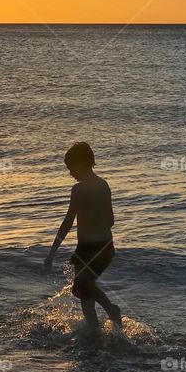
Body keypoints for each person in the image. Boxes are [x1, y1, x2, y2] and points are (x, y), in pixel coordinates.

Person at [44, 142, 122, 331]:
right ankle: (93, 331)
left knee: (80, 287)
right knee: (85, 292)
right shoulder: (103, 185)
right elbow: (111, 220)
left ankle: (112, 310)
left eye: (70, 167)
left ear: (80, 163)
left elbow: (67, 223)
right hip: (104, 247)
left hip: (92, 249)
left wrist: (51, 253)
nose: (70, 173)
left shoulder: (78, 190)